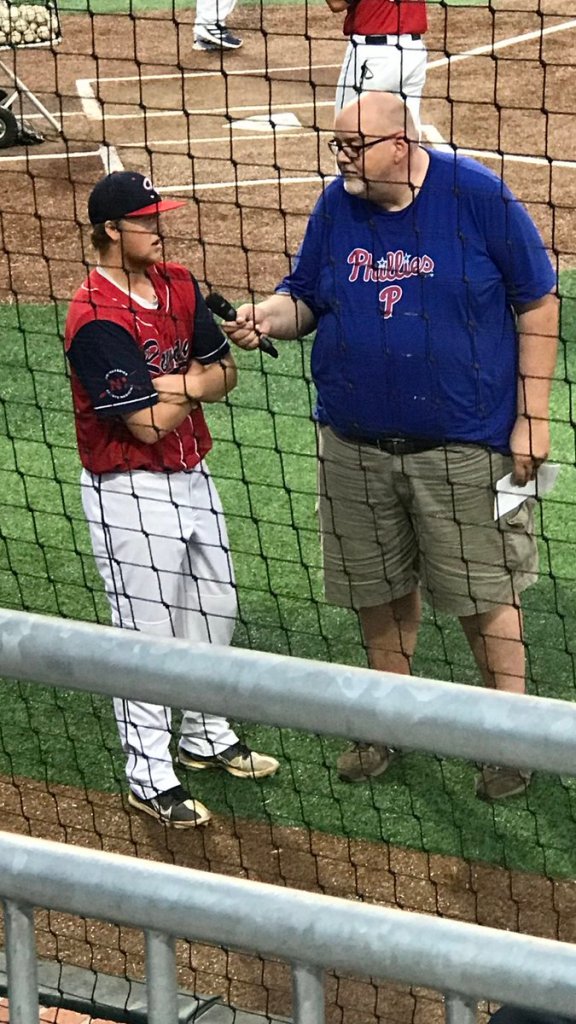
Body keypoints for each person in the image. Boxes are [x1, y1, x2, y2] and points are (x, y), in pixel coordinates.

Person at [220, 92, 558, 802]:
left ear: (400, 145)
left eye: (354, 147)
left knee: (483, 595)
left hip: (464, 445)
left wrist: (532, 416)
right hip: (354, 444)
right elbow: (305, 297)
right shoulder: (336, 207)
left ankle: (512, 737)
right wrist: (267, 316)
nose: (341, 159)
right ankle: (387, 724)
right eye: (338, 146)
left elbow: (538, 301)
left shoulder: (476, 196)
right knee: (377, 593)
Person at [64, 171, 279, 829]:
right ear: (109, 230)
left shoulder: (179, 283)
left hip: (194, 475)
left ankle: (205, 734)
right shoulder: (94, 318)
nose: (159, 229)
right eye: (146, 220)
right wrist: (195, 381)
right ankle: (149, 775)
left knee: (215, 607)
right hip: (129, 489)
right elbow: (147, 426)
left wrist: (177, 383)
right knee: (147, 635)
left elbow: (227, 373)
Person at [326, 0, 427, 128]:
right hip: (413, 52)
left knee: (349, 127)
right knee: (406, 130)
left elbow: (337, 3)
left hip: (374, 55)